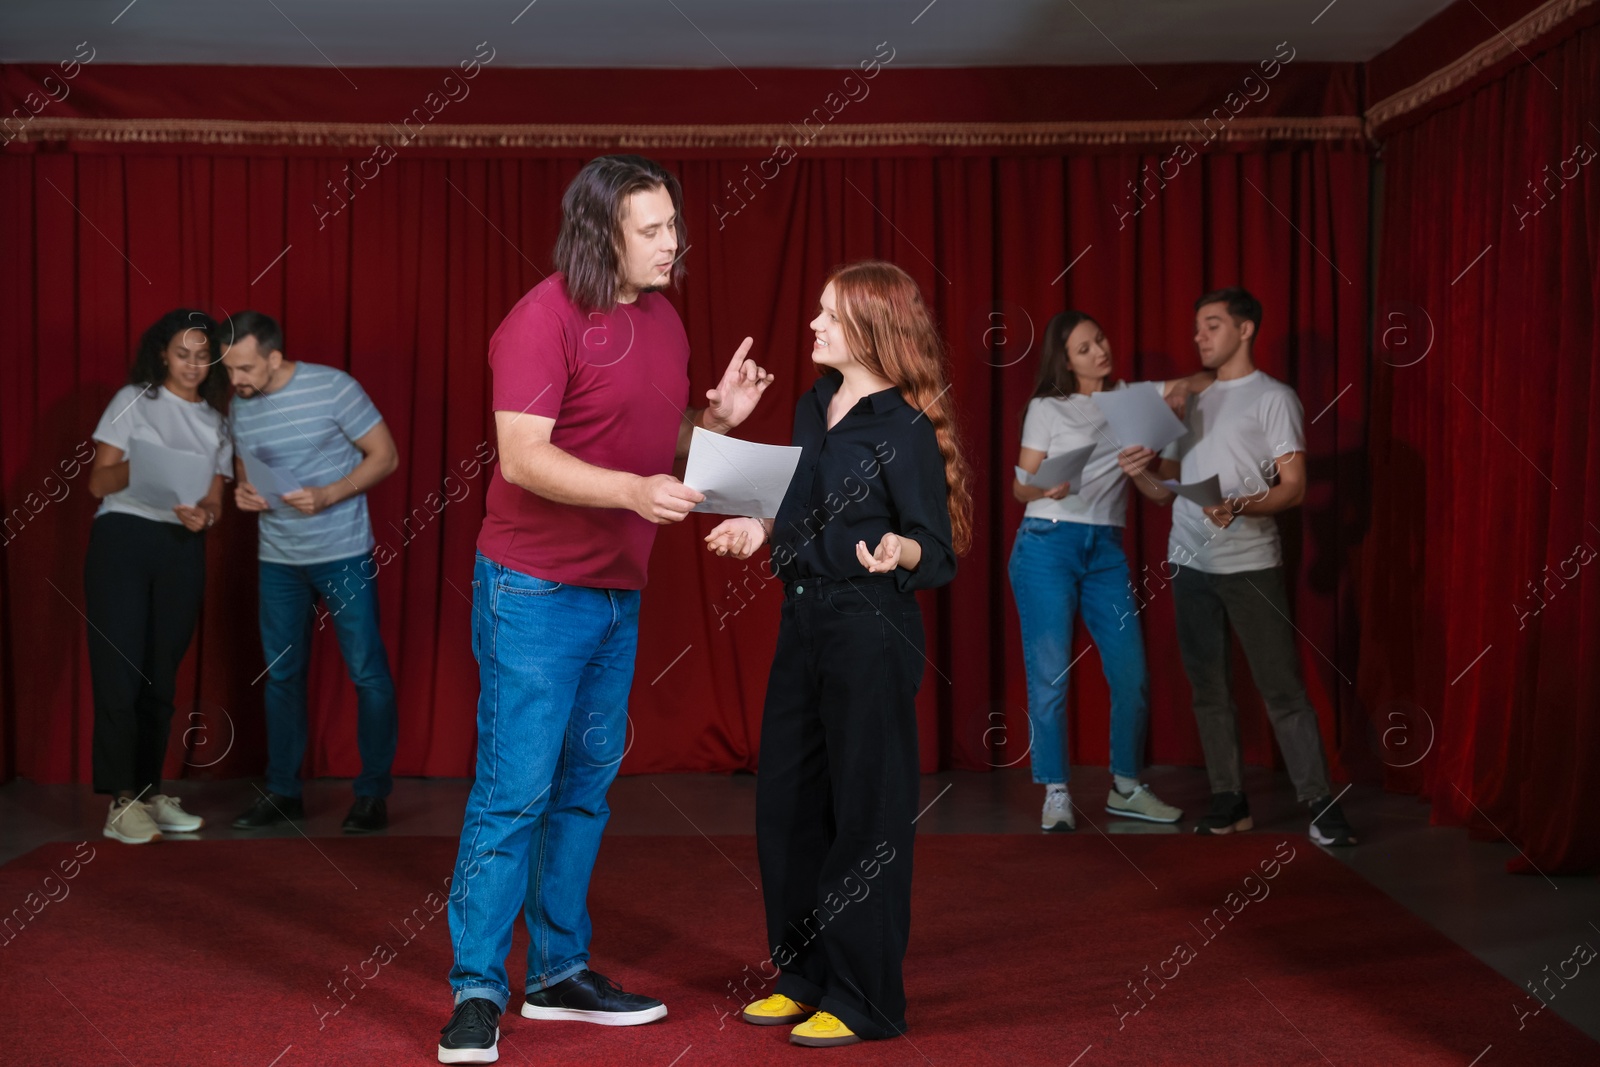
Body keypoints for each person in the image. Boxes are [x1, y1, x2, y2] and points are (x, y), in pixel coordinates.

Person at [437, 154, 774, 1065]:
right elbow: (522, 457)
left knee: (584, 793)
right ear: (602, 235)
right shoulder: (540, 319)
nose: (675, 243)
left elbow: (656, 440)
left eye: (674, 225)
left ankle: (557, 974)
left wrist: (721, 420)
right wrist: (631, 491)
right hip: (532, 590)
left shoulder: (664, 320)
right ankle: (476, 989)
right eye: (654, 229)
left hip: (618, 593)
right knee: (515, 793)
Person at [705, 261, 969, 1048]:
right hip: (803, 623)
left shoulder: (907, 429)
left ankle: (865, 999)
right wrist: (756, 532)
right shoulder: (812, 407)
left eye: (828, 314)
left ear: (872, 329)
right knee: (786, 805)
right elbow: (794, 512)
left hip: (871, 630)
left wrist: (901, 549)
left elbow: (940, 549)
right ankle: (803, 974)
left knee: (867, 813)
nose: (813, 323)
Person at [1119, 287, 1356, 846]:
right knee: (1208, 687)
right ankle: (1230, 800)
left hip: (1250, 563)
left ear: (1245, 330)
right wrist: (1139, 472)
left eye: (1213, 325)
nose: (1200, 336)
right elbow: (1162, 493)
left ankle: (1321, 804)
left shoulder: (1275, 397)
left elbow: (1294, 488)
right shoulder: (1189, 400)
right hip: (1187, 560)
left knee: (1282, 688)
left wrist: (1240, 505)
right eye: (1198, 327)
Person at [1008, 311, 1210, 832]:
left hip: (1105, 550)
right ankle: (1056, 791)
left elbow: (1206, 379)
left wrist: (1180, 396)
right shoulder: (1048, 408)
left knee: (1131, 675)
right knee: (1050, 678)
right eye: (1083, 348)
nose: (1099, 351)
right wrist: (1044, 488)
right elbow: (1020, 487)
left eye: (1100, 339)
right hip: (1046, 543)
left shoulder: (1134, 398)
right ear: (1066, 361)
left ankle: (1126, 786)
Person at [219, 311, 401, 835]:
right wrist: (243, 491)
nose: (236, 380)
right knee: (281, 678)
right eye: (231, 370)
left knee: (367, 673)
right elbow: (245, 467)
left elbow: (384, 456)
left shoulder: (334, 388)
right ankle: (283, 792)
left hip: (342, 554)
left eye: (246, 368)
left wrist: (328, 493)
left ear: (275, 358)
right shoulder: (240, 403)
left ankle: (371, 795)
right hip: (277, 560)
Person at [85, 310, 232, 844]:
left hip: (180, 546)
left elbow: (215, 500)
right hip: (122, 539)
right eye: (181, 354)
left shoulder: (217, 422)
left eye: (202, 355)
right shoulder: (133, 400)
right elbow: (98, 482)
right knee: (119, 670)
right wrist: (145, 466)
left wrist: (205, 516)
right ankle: (121, 801)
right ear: (162, 355)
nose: (192, 364)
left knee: (160, 675)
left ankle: (148, 793)